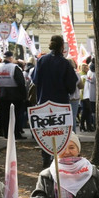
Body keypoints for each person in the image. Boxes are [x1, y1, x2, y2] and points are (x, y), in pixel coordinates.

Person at [31, 35, 79, 167]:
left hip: (44, 102)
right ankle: (57, 157)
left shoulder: (41, 60)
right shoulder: (64, 63)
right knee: (60, 131)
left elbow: (34, 79)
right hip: (60, 104)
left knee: (45, 132)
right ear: (62, 47)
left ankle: (46, 157)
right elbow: (71, 85)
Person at [0, 51, 27, 139]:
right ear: (11, 58)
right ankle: (16, 134)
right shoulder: (14, 67)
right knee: (15, 116)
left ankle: (6, 133)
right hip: (14, 96)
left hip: (0, 96)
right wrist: (24, 96)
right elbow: (21, 83)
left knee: (3, 116)